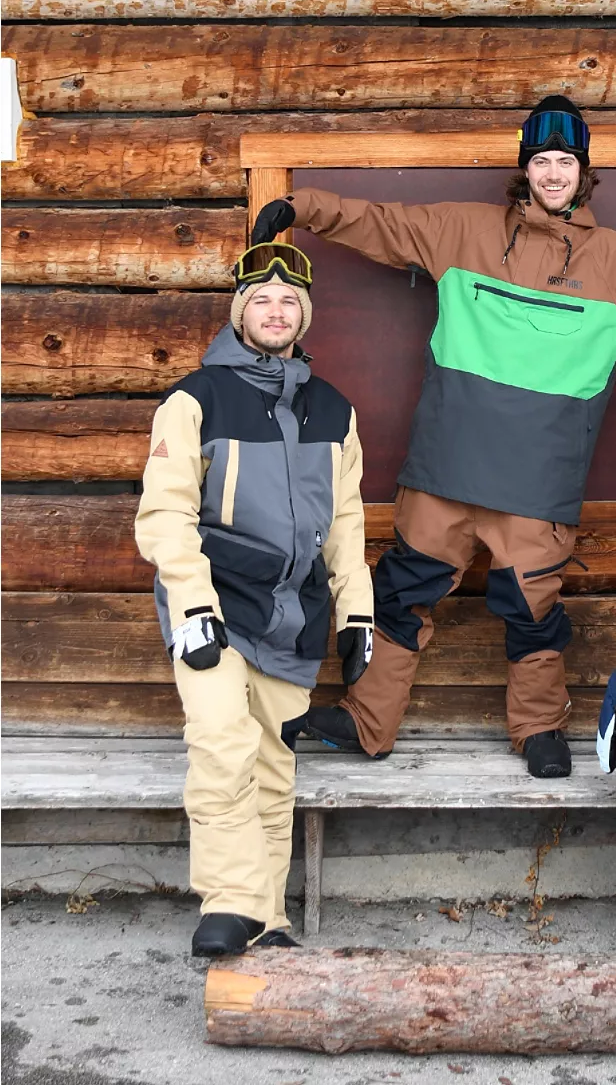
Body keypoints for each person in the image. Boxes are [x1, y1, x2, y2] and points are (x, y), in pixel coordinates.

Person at [251, 98, 616, 779]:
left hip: (537, 486)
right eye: (541, 160)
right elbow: (379, 223)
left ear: (583, 173)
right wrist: (301, 207)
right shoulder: (459, 232)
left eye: (565, 162)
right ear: (524, 168)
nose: (553, 173)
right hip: (442, 470)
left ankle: (538, 728)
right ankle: (365, 720)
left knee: (532, 612)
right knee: (399, 598)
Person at [134, 242, 373, 956]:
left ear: (304, 315)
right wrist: (191, 604)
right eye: (261, 300)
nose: (275, 311)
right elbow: (166, 513)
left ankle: (266, 921)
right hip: (216, 605)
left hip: (293, 614)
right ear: (240, 312)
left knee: (273, 765)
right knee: (221, 744)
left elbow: (347, 521)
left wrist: (356, 611)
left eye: (288, 301)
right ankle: (232, 900)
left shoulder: (334, 410)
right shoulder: (195, 399)